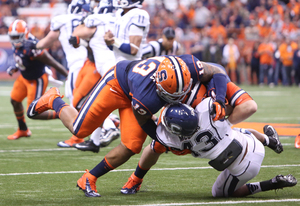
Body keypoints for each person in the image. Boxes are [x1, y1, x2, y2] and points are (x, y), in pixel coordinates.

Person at [27, 54, 230, 197]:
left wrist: (219, 99)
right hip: (116, 85)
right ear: (159, 86)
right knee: (80, 129)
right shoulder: (146, 99)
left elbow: (218, 71)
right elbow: (147, 124)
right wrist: (167, 141)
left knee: (132, 145)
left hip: (135, 91)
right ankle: (53, 98)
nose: (176, 99)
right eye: (171, 96)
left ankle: (88, 178)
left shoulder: (187, 65)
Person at [149, 100, 297, 197]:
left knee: (218, 193)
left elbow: (163, 136)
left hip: (247, 168)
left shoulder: (180, 144)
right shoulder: (206, 111)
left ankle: (270, 184)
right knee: (231, 130)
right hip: (252, 143)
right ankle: (269, 140)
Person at [33, 0, 96, 147]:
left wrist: (34, 45)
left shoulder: (62, 20)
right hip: (90, 63)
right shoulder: (90, 20)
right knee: (86, 99)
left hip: (77, 65)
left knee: (75, 100)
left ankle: (81, 136)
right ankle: (105, 125)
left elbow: (46, 42)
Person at [68, 0, 120, 153]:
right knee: (100, 102)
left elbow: (76, 33)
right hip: (117, 66)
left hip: (107, 69)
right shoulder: (118, 20)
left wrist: (83, 22)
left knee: (101, 103)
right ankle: (95, 142)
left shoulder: (97, 20)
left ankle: (110, 126)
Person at [7, 19, 68, 140]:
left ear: (25, 34)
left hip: (36, 79)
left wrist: (69, 76)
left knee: (34, 113)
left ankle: (63, 113)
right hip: (24, 77)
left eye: (17, 37)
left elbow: (52, 62)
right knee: (14, 100)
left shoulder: (33, 46)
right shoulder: (20, 42)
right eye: (12, 37)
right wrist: (16, 67)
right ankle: (23, 130)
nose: (14, 40)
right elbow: (21, 57)